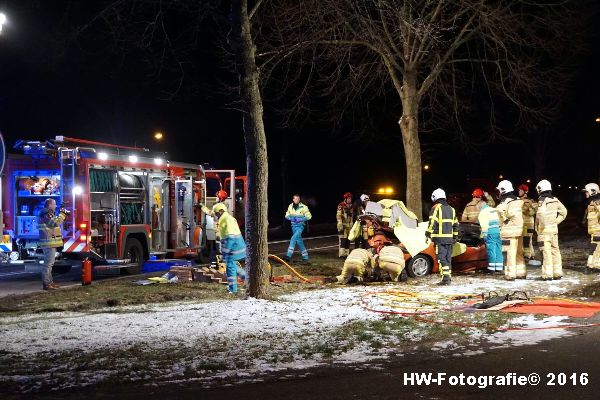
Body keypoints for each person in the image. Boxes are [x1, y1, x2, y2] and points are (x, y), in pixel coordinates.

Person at [534, 180, 567, 281]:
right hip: (553, 230)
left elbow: (541, 215)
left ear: (540, 189)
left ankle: (548, 274)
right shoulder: (555, 200)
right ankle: (557, 272)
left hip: (544, 232)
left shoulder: (542, 201)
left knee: (546, 252)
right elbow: (564, 212)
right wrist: (556, 222)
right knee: (555, 250)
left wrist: (541, 227)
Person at [426, 188, 459, 285]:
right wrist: (455, 237)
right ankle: (448, 278)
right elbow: (456, 224)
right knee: (448, 259)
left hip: (439, 240)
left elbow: (432, 222)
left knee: (441, 259)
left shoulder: (436, 208)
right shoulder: (451, 209)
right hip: (449, 240)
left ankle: (445, 280)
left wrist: (428, 232)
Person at [213, 203, 246, 293]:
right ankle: (247, 279)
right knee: (233, 266)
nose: (215, 215)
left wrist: (225, 252)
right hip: (235, 247)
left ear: (221, 211)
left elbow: (230, 237)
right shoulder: (226, 218)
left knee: (230, 269)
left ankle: (233, 289)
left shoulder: (226, 219)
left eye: (216, 213)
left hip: (234, 248)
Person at [496, 180, 525, 280]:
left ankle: (510, 274)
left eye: (499, 190)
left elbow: (499, 210)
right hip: (520, 230)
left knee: (510, 253)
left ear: (503, 190)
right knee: (519, 252)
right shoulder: (517, 199)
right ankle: (521, 273)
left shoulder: (505, 201)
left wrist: (505, 220)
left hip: (509, 232)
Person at [38, 198, 68, 290]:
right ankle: (47, 284)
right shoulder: (46, 214)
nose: (55, 206)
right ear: (49, 205)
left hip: (50, 242)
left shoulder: (48, 213)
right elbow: (55, 223)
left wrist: (60, 212)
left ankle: (50, 282)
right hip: (48, 243)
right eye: (54, 204)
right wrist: (62, 214)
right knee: (48, 264)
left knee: (50, 264)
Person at [284, 194, 312, 263]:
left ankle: (288, 255)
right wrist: (290, 217)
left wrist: (301, 219)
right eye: (295, 199)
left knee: (293, 238)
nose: (297, 200)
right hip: (293, 226)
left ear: (299, 200)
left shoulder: (304, 207)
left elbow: (309, 216)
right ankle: (306, 257)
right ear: (293, 199)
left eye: (298, 199)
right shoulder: (290, 206)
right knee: (299, 242)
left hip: (300, 226)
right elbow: (287, 214)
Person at [478, 202, 503, 272]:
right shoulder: (494, 209)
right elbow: (501, 219)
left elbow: (484, 225)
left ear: (480, 206)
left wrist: (485, 235)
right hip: (499, 231)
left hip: (490, 232)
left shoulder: (483, 212)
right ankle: (499, 267)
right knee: (499, 248)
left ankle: (491, 268)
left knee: (491, 249)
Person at [583, 183, 600, 273]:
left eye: (587, 191)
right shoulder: (592, 201)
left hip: (597, 230)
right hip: (595, 230)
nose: (586, 193)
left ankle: (589, 266)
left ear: (593, 191)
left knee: (593, 247)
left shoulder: (597, 201)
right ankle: (596, 266)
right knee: (597, 248)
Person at [518, 184, 538, 262]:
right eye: (519, 190)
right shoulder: (518, 200)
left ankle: (527, 256)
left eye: (520, 190)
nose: (519, 191)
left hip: (528, 224)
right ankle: (531, 255)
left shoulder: (530, 200)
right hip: (523, 224)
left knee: (526, 240)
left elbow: (537, 208)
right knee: (527, 240)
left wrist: (530, 213)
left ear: (525, 191)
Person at [336, 192, 355, 258]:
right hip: (343, 226)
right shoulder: (341, 205)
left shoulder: (352, 206)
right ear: (345, 199)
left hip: (349, 226)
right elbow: (338, 215)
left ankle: (347, 254)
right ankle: (341, 255)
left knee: (348, 240)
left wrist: (352, 225)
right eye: (348, 198)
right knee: (342, 240)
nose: (350, 200)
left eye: (350, 198)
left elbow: (352, 216)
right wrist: (340, 223)